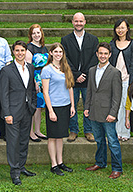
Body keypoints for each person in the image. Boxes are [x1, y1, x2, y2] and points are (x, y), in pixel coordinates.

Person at [0, 40, 37, 185]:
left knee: (23, 141)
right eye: (17, 51)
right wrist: (7, 114)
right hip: (13, 112)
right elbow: (3, 94)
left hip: (27, 111)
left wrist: (33, 105)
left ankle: (21, 167)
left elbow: (32, 89)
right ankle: (14, 172)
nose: (20, 53)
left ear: (26, 52)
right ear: (13, 52)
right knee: (13, 143)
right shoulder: (6, 70)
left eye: (22, 50)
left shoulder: (31, 68)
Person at [84, 42, 122, 179]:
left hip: (108, 114)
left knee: (112, 141)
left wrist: (113, 113)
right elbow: (89, 91)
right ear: (97, 54)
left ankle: (117, 168)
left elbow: (117, 96)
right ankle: (100, 162)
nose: (103, 56)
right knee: (99, 139)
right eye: (100, 53)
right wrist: (87, 107)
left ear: (110, 55)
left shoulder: (115, 72)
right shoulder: (92, 70)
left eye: (105, 53)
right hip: (94, 111)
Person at [61, 12, 99, 142]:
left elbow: (95, 59)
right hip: (72, 79)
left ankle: (88, 130)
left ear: (85, 22)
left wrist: (85, 74)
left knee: (88, 105)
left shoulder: (93, 40)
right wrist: (76, 75)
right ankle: (73, 130)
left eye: (81, 21)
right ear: (72, 22)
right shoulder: (65, 40)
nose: (78, 23)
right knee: (72, 104)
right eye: (76, 21)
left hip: (88, 79)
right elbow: (64, 58)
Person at [41, 43, 75, 176]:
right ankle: (53, 164)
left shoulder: (65, 67)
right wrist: (50, 111)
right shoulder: (47, 70)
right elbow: (45, 92)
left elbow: (70, 87)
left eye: (60, 52)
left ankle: (60, 162)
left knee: (60, 137)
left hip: (65, 106)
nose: (58, 54)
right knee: (52, 137)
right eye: (56, 52)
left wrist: (72, 105)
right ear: (51, 53)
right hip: (54, 107)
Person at [109, 18, 133, 142]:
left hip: (127, 79)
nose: (120, 30)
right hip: (114, 80)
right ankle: (115, 132)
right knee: (115, 105)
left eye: (122, 27)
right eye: (118, 28)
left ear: (127, 28)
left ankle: (125, 133)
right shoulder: (112, 44)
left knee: (125, 105)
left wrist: (132, 81)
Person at [25, 24, 48, 142]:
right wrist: (34, 81)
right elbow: (29, 67)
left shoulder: (44, 48)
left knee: (40, 106)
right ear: (30, 35)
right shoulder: (29, 48)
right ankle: (30, 132)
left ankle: (38, 130)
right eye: (34, 33)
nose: (36, 35)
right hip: (35, 78)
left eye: (38, 33)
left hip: (44, 78)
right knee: (33, 105)